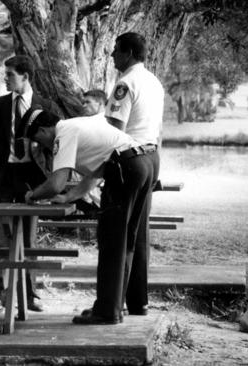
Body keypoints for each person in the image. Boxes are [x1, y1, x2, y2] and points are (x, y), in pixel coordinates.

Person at [23, 107, 158, 324]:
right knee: (130, 240)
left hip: (126, 167)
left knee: (112, 240)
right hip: (146, 160)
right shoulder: (83, 123)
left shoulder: (63, 134)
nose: (44, 147)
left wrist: (33, 194)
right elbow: (97, 173)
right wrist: (70, 197)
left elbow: (56, 183)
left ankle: (106, 312)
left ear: (42, 131)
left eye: (38, 141)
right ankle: (123, 304)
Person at [0, 55, 61, 311]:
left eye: (10, 74)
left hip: (30, 177)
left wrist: (51, 176)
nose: (6, 78)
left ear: (25, 75)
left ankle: (29, 292)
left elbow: (54, 144)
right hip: (1, 176)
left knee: (29, 237)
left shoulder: (44, 104)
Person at [104, 32, 164, 316]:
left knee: (116, 234)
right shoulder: (154, 82)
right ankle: (138, 301)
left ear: (128, 53)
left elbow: (114, 128)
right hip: (152, 157)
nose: (112, 55)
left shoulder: (125, 83)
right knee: (138, 233)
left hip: (129, 159)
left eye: (116, 50)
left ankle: (109, 307)